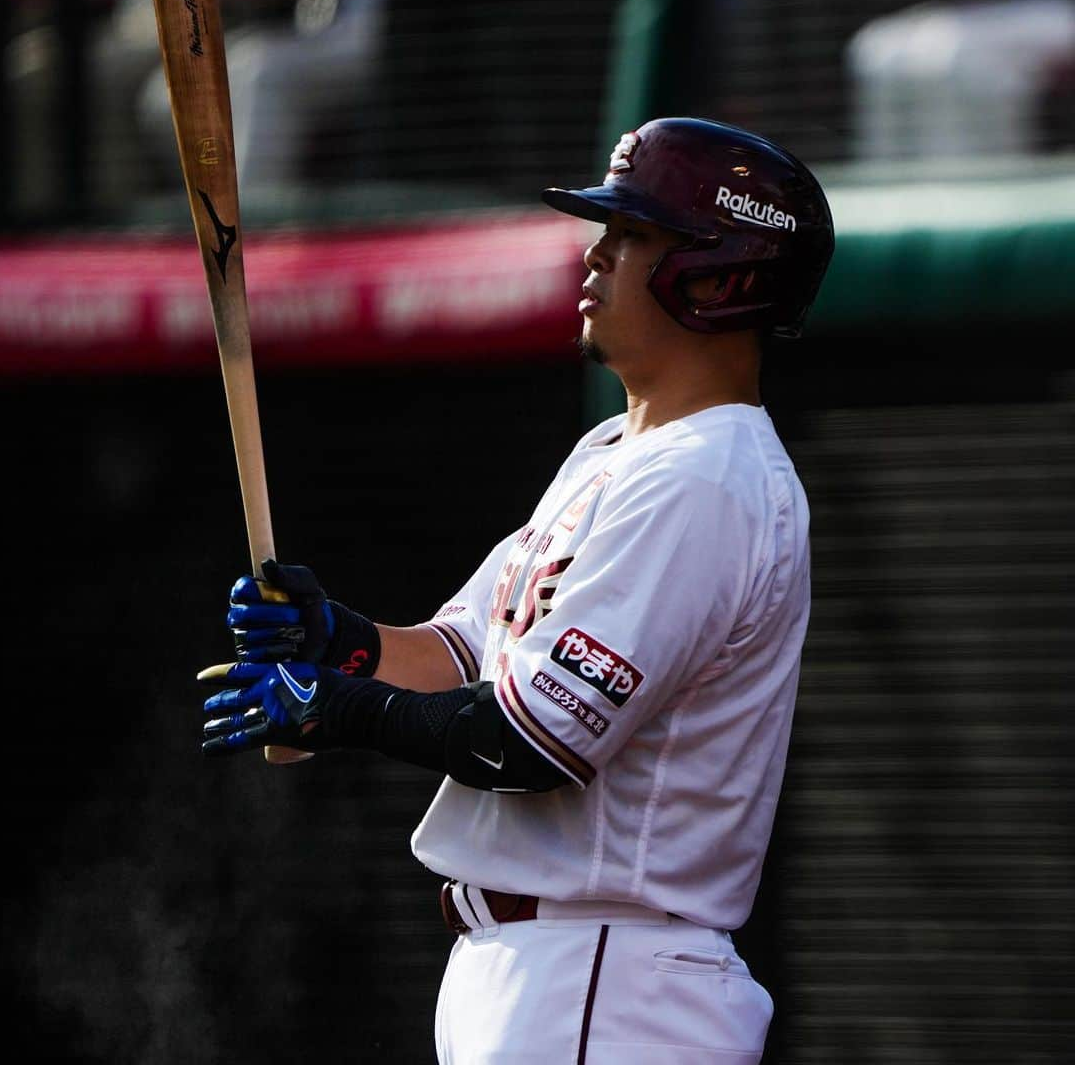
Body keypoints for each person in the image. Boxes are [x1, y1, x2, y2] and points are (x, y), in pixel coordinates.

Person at [199, 116, 835, 1064]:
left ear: (719, 274)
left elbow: (527, 745)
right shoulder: (617, 454)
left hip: (606, 977)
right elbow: (462, 660)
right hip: (552, 973)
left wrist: (333, 708)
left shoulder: (708, 478)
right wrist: (338, 640)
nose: (596, 255)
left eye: (634, 238)